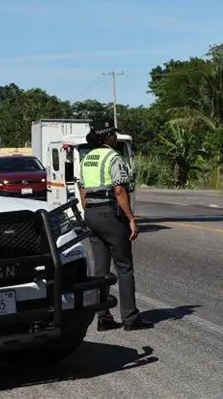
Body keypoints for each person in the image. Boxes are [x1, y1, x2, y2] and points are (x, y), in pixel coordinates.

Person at [77, 119, 153, 332]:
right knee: (124, 267)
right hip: (109, 214)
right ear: (107, 136)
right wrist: (130, 218)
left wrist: (89, 210)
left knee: (101, 270)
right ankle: (130, 318)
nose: (116, 138)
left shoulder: (88, 158)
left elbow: (82, 189)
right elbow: (119, 191)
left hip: (91, 214)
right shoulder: (114, 157)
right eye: (114, 134)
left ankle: (103, 317)